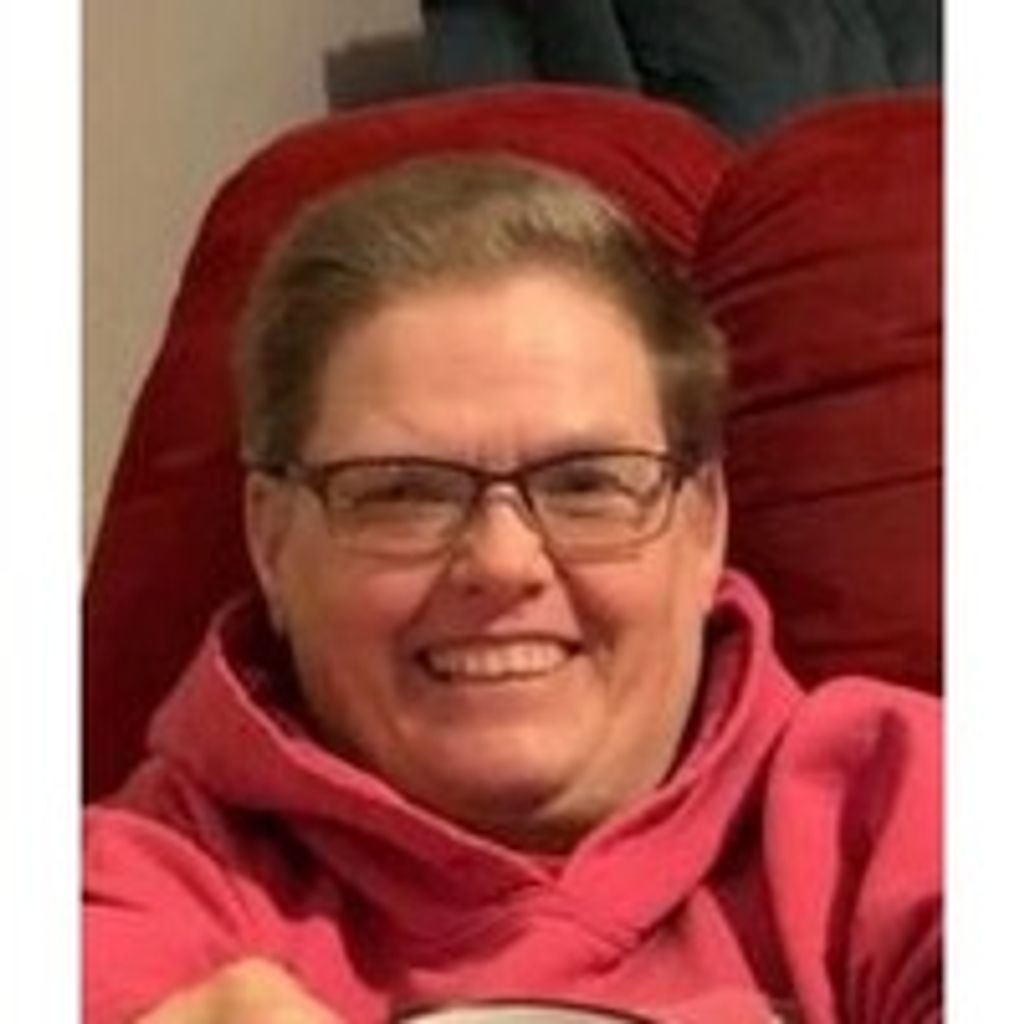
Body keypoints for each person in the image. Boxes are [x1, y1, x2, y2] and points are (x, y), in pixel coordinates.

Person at [84, 154, 940, 1023]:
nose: (501, 562)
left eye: (587, 483)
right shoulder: (138, 880)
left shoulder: (900, 799)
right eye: (402, 492)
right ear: (271, 542)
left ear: (703, 525)